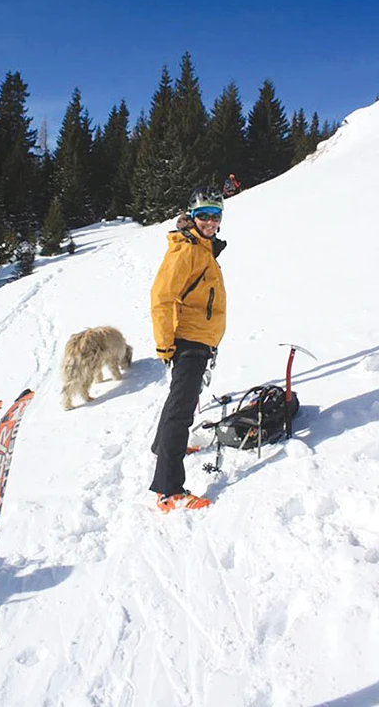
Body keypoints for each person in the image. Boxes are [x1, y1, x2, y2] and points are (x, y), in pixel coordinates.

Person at [149, 187, 227, 513]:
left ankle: (163, 447)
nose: (209, 221)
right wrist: (166, 345)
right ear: (192, 217)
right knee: (181, 412)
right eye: (203, 216)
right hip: (188, 342)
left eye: (214, 216)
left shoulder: (203, 248)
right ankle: (169, 490)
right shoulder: (187, 251)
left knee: (180, 404)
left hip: (199, 340)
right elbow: (162, 298)